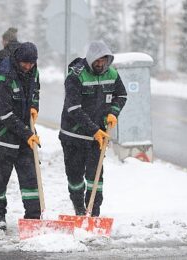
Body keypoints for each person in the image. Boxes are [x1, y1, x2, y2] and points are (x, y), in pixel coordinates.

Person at [59, 41, 127, 217]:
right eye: (97, 61)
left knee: (95, 176)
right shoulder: (75, 76)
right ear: (90, 59)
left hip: (98, 137)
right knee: (75, 177)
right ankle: (79, 209)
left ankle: (94, 212)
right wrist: (93, 130)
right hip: (73, 136)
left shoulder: (111, 73)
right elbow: (73, 108)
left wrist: (113, 112)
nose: (100, 64)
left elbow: (121, 95)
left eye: (104, 61)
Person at [0, 42, 41, 231]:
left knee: (31, 177)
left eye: (31, 63)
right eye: (25, 63)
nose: (28, 67)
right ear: (16, 60)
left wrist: (34, 107)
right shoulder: (2, 75)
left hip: (23, 132)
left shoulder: (33, 71)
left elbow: (35, 90)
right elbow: (5, 114)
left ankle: (33, 218)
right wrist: (27, 133)